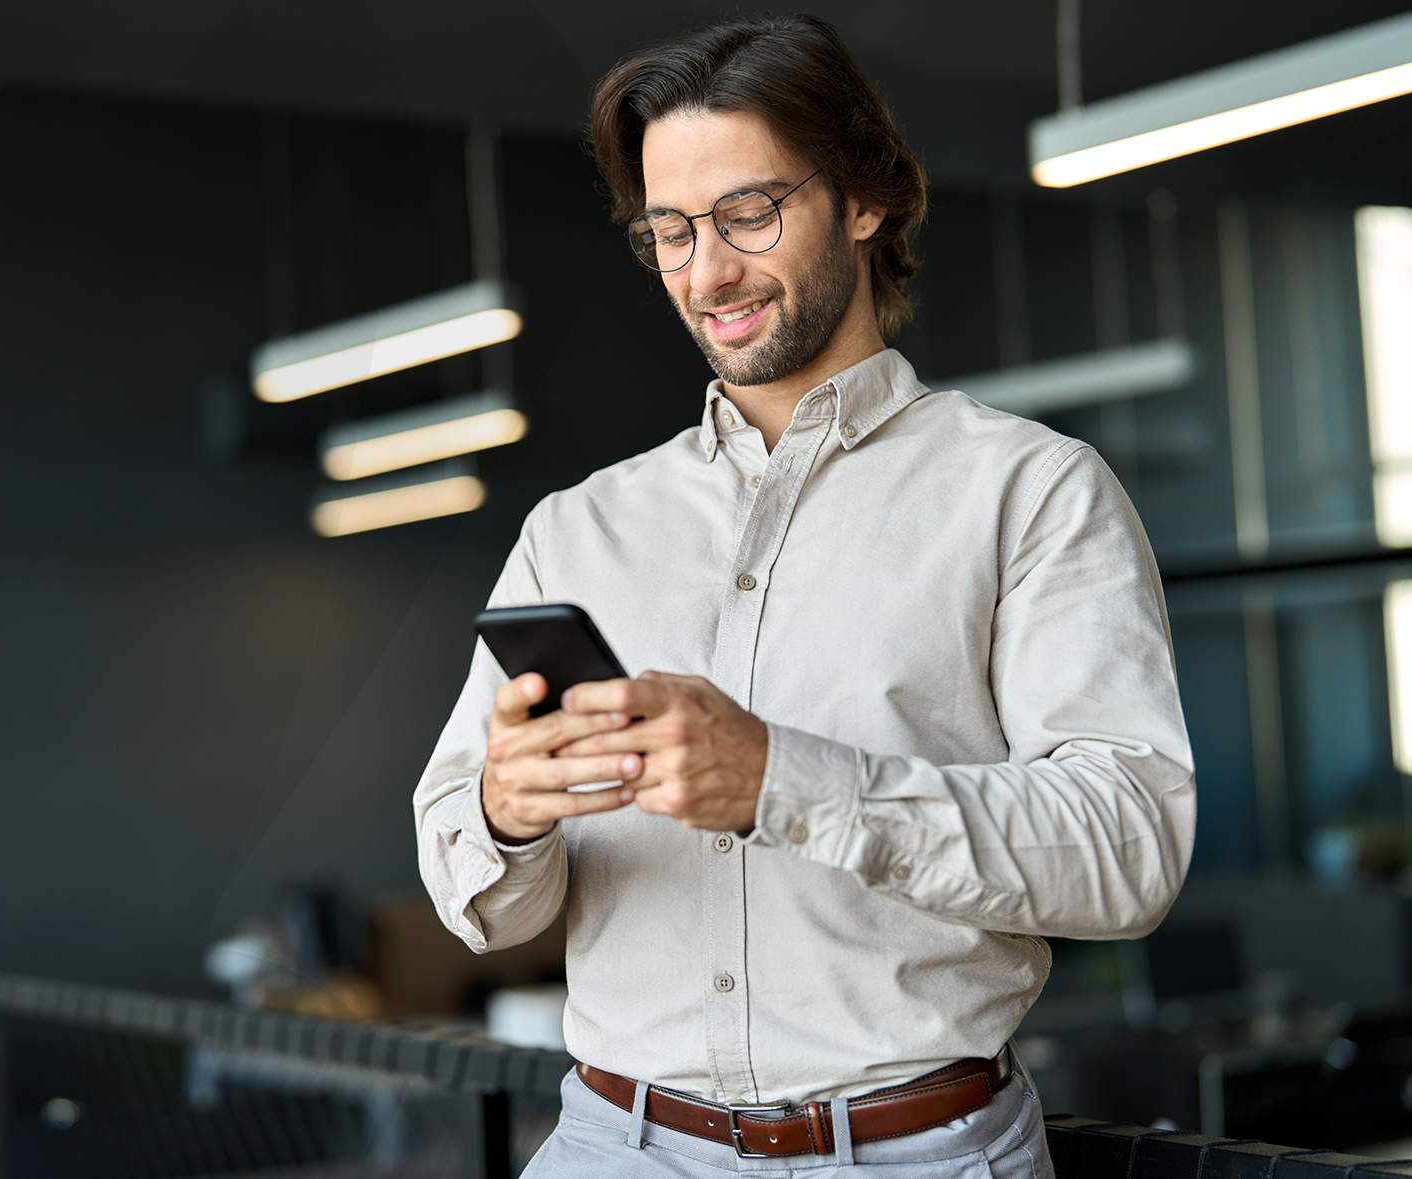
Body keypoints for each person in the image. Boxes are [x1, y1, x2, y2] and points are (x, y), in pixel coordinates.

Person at [411, 15, 1193, 1178]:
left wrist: (788, 781)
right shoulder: (577, 530)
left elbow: (1130, 846)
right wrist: (507, 817)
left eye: (748, 215)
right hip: (613, 1147)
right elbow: (476, 885)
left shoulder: (1029, 493)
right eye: (669, 231)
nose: (705, 273)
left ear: (866, 197)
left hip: (914, 1154)